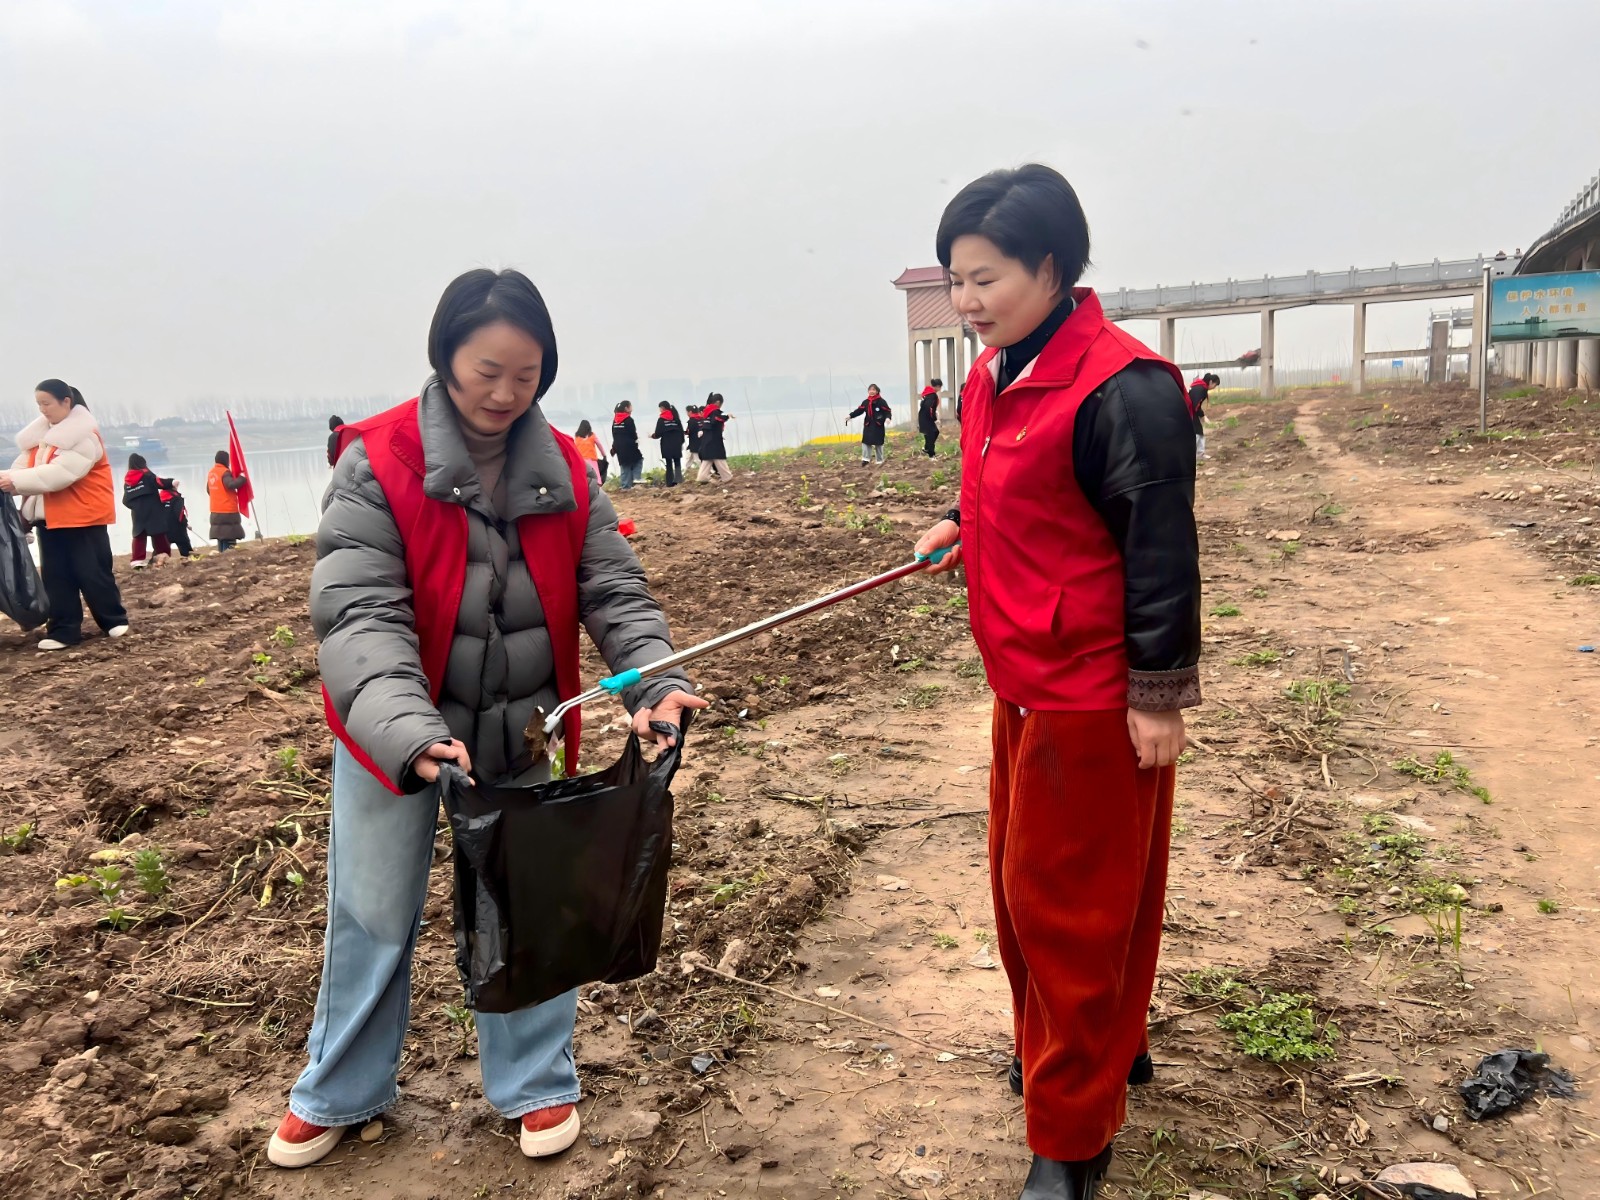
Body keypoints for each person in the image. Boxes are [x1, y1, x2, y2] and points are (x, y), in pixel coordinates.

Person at [268, 267, 708, 1171]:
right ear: (445, 359)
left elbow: (613, 589)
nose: (506, 394)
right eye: (486, 372)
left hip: (520, 730)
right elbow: (360, 617)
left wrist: (653, 684)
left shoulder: (568, 471)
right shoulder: (378, 460)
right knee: (371, 911)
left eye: (526, 375)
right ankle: (339, 1088)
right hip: (396, 735)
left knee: (527, 899)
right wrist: (410, 732)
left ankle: (536, 1081)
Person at [913, 164, 1200, 1200]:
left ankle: (1073, 1137)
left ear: (1050, 266)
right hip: (1020, 680)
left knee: (1067, 910)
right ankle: (1093, 1050)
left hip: (1090, 693)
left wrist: (1157, 695)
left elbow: (1159, 548)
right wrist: (962, 522)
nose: (967, 300)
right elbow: (1015, 487)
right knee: (1028, 892)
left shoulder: (1126, 388)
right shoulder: (995, 376)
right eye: (955, 280)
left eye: (984, 278)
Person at [0, 380, 130, 651]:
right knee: (56, 577)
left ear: (66, 402)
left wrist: (14, 481)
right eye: (39, 404)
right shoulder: (40, 441)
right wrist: (7, 479)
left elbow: (61, 474)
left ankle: (113, 619)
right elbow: (21, 469)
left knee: (92, 572)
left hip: (83, 517)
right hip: (49, 519)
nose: (42, 409)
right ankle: (63, 631)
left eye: (46, 403)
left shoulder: (84, 438)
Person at [122, 452, 173, 567]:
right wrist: (171, 482)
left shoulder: (128, 481)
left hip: (138, 513)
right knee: (159, 533)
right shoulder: (146, 474)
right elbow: (159, 482)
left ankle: (137, 560)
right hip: (153, 510)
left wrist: (136, 507)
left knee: (139, 535)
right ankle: (163, 554)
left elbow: (125, 500)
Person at [207, 450, 247, 550]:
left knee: (221, 537)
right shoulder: (224, 472)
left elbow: (208, 490)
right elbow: (230, 484)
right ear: (225, 460)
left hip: (215, 510)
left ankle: (222, 554)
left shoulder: (212, 473)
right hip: (227, 510)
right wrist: (242, 479)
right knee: (229, 537)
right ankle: (227, 554)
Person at [846, 384, 892, 465]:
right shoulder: (866, 402)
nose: (872, 391)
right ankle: (866, 459)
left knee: (879, 443)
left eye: (873, 390)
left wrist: (888, 418)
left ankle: (879, 460)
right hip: (868, 425)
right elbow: (859, 411)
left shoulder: (881, 401)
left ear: (877, 391)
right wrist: (850, 416)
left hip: (878, 425)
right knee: (866, 442)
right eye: (870, 390)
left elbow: (887, 411)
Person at [695, 393, 733, 483]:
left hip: (706, 441)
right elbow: (717, 419)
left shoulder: (706, 412)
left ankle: (702, 477)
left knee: (707, 460)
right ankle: (727, 477)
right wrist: (727, 417)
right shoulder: (714, 411)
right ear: (718, 402)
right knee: (719, 459)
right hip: (714, 441)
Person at [610, 401, 644, 490]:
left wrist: (614, 447)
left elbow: (614, 435)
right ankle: (636, 482)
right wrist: (636, 440)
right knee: (638, 460)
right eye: (630, 406)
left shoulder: (615, 421)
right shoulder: (629, 420)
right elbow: (633, 434)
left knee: (625, 465)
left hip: (619, 447)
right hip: (630, 446)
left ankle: (625, 487)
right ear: (626, 408)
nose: (632, 408)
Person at [650, 400, 685, 486]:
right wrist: (681, 442)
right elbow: (681, 431)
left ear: (663, 408)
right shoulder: (676, 418)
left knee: (669, 464)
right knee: (677, 462)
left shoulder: (661, 419)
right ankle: (678, 481)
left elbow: (658, 433)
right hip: (677, 443)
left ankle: (670, 483)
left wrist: (653, 436)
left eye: (660, 408)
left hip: (667, 444)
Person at [160, 476, 194, 558]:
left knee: (163, 551)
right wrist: (186, 524)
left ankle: (162, 561)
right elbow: (180, 514)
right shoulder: (176, 498)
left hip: (163, 528)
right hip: (178, 529)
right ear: (174, 487)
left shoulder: (159, 497)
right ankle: (187, 559)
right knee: (185, 549)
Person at [1188, 372, 1218, 459]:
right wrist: (1202, 416)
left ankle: (1198, 453)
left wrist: (1202, 416)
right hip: (1189, 411)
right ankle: (1197, 454)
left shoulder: (1199, 386)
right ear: (1211, 382)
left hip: (1189, 410)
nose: (1214, 387)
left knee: (1197, 431)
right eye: (1215, 385)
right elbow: (1195, 405)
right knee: (1197, 432)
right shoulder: (1201, 389)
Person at [572, 419, 605, 486]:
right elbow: (599, 445)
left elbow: (575, 447)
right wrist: (604, 454)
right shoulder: (592, 435)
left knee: (583, 476)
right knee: (596, 477)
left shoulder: (577, 436)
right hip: (591, 459)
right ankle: (597, 487)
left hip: (581, 460)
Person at [918, 378, 943, 458]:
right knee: (932, 435)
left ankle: (926, 448)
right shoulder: (932, 395)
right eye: (940, 387)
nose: (940, 389)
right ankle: (931, 455)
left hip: (923, 417)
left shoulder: (927, 393)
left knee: (934, 433)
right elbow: (929, 407)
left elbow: (924, 405)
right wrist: (935, 419)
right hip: (927, 418)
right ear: (937, 386)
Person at [684, 404, 704, 473]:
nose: (687, 414)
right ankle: (686, 471)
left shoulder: (691, 421)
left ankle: (707, 472)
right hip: (701, 442)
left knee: (698, 459)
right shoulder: (701, 419)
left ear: (690, 412)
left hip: (694, 444)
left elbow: (689, 431)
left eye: (687, 412)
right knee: (690, 458)